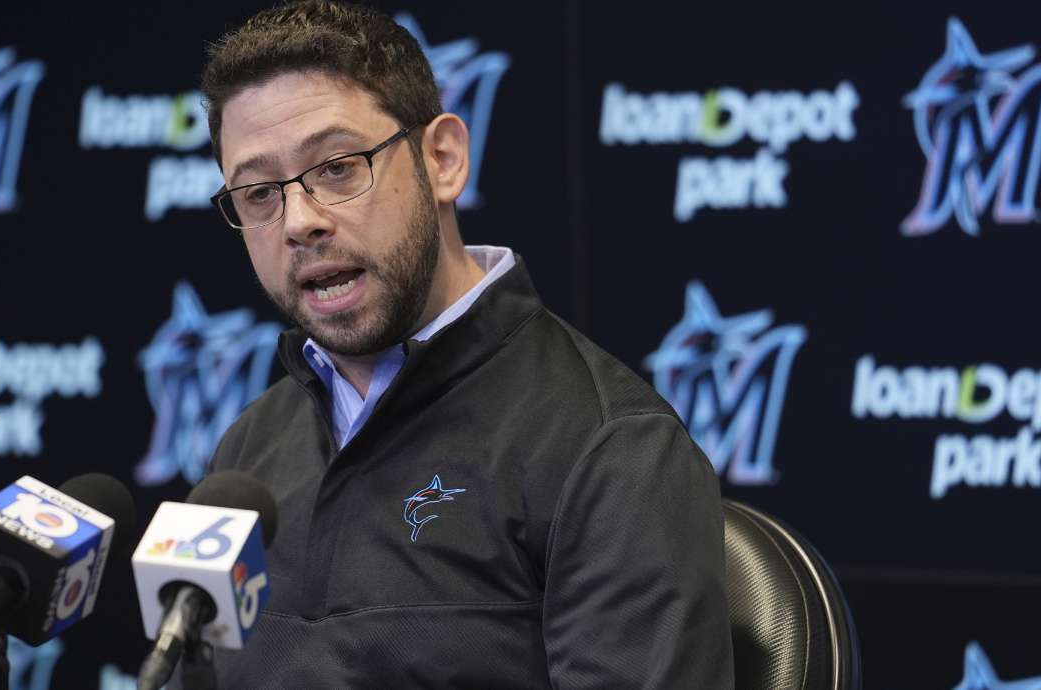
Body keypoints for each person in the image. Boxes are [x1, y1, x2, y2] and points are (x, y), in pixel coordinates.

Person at [200, 1, 733, 687]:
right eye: (259, 194)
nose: (299, 221)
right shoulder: (245, 454)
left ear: (443, 160)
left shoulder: (611, 451)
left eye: (337, 167)